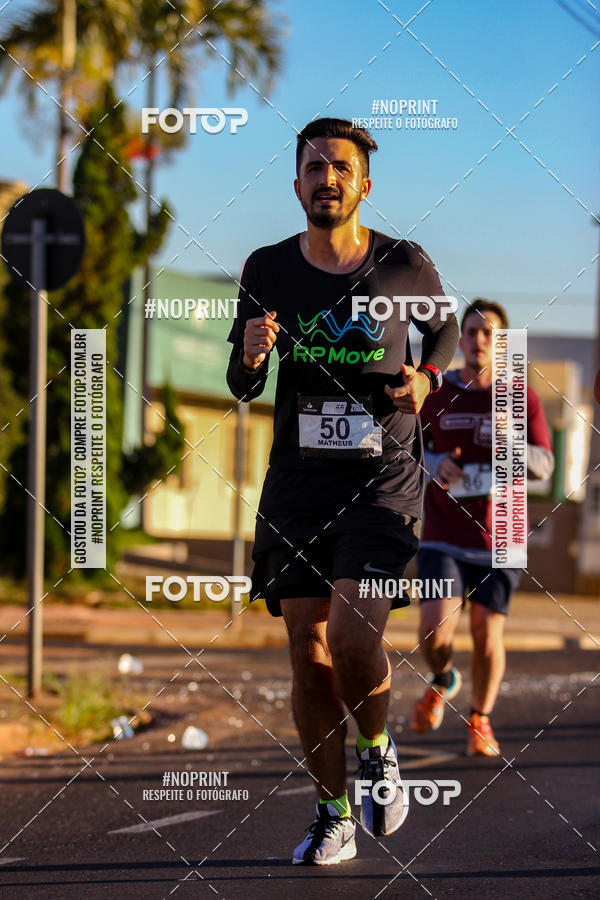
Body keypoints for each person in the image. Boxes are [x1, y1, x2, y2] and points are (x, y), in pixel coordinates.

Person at [226, 117, 458, 865]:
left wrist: (427, 378)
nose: (327, 178)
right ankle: (333, 815)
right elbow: (241, 382)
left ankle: (378, 749)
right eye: (314, 167)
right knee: (308, 653)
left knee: (356, 641)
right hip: (297, 484)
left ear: (364, 184)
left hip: (382, 480)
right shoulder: (266, 268)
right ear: (296, 184)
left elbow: (445, 332)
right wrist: (251, 358)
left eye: (341, 168)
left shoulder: (403, 262)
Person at [411, 299, 554, 756]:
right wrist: (434, 463)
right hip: (444, 533)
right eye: (471, 331)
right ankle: (442, 678)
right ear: (461, 339)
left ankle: (480, 721)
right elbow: (408, 449)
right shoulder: (436, 393)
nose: (478, 340)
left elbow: (545, 464)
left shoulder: (521, 398)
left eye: (489, 333)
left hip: (502, 534)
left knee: (487, 635)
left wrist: (512, 446)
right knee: (433, 631)